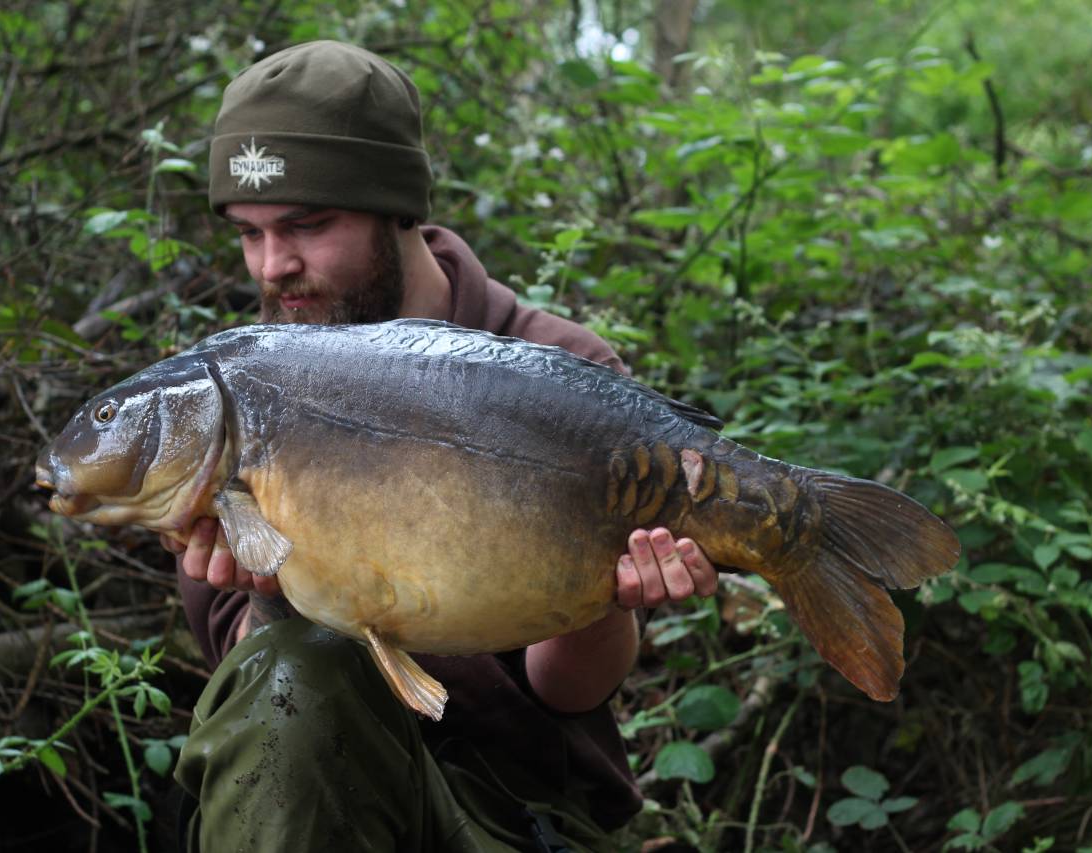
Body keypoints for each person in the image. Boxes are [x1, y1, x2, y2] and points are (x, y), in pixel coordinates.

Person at [166, 40, 718, 852]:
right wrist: (272, 581)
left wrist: (617, 594)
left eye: (307, 225)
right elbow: (263, 706)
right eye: (249, 235)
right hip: (319, 806)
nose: (275, 266)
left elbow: (566, 693)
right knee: (294, 669)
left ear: (399, 208)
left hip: (518, 813)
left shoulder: (556, 371)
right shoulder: (240, 399)